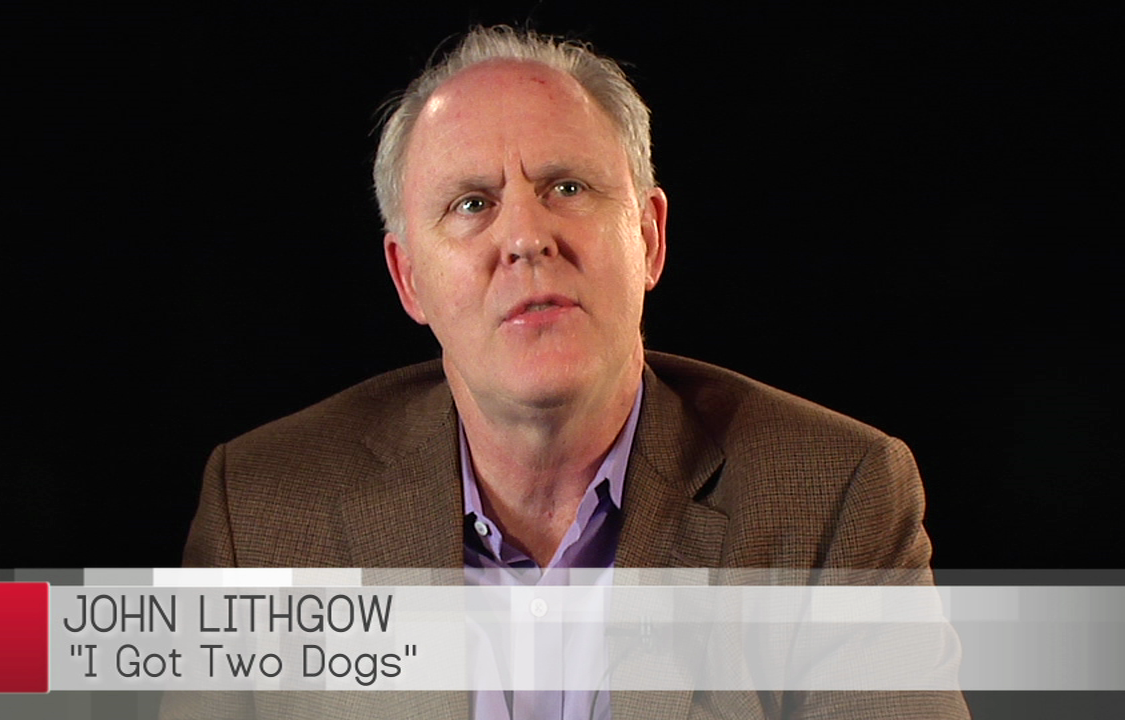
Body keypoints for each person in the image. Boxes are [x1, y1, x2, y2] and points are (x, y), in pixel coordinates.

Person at [166, 25, 969, 719]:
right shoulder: (263, 514)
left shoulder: (834, 496)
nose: (526, 237)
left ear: (648, 238)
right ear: (408, 278)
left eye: (568, 187)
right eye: (472, 203)